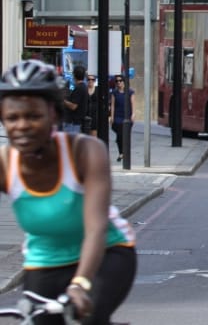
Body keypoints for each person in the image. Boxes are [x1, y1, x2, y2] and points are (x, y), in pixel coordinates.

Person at [0, 60, 136, 324]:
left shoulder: (85, 152)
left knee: (87, 314)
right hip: (45, 262)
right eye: (12, 118)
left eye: (33, 116)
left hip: (107, 253)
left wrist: (81, 283)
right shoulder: (6, 164)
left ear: (54, 115)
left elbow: (95, 228)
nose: (22, 126)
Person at [109, 76, 134, 162]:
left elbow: (132, 103)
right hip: (117, 116)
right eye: (117, 81)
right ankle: (121, 152)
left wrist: (133, 114)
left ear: (124, 82)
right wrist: (112, 116)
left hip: (127, 115)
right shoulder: (114, 93)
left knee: (126, 135)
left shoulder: (130, 92)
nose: (119, 83)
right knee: (119, 135)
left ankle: (125, 153)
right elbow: (112, 105)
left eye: (120, 81)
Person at [63, 65, 88, 134]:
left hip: (73, 123)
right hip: (76, 122)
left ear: (74, 75)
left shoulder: (79, 88)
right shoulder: (84, 87)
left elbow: (73, 106)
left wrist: (63, 101)